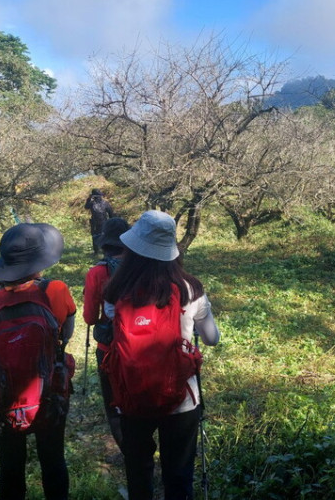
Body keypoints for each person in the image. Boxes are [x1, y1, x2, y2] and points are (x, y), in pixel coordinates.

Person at [103, 210, 220, 500]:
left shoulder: (116, 290)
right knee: (178, 476)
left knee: (138, 472)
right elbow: (212, 338)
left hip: (132, 395)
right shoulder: (190, 289)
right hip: (181, 397)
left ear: (132, 249)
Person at [0, 223, 76, 500]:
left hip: (2, 396)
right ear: (40, 262)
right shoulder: (55, 290)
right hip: (50, 394)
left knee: (10, 467)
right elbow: (66, 334)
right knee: (54, 461)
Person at [82, 216, 130, 453]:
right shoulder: (141, 267)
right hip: (141, 345)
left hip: (109, 348)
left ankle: (127, 450)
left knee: (114, 403)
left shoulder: (97, 273)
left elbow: (90, 318)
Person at [84, 188, 115, 255]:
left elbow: (111, 214)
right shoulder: (92, 203)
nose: (97, 198)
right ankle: (96, 251)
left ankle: (104, 251)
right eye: (96, 196)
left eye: (98, 196)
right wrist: (89, 199)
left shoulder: (105, 203)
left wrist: (111, 223)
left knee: (103, 236)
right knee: (95, 236)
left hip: (103, 222)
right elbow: (86, 207)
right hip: (95, 223)